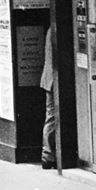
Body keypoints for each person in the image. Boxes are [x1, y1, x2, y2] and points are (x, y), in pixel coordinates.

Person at [41, 26, 56, 169]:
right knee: (52, 117)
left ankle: (48, 155)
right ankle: (48, 155)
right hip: (53, 80)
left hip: (49, 79)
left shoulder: (51, 29)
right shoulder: (55, 29)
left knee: (51, 116)